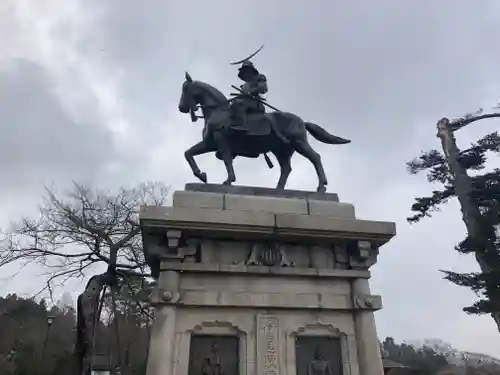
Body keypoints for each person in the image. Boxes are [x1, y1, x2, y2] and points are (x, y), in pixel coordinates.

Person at [231, 60, 268, 131]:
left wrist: (253, 91)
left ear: (250, 70)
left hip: (255, 102)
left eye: (246, 71)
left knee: (238, 104)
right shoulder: (244, 85)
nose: (245, 74)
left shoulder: (259, 78)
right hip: (245, 102)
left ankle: (242, 126)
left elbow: (263, 88)